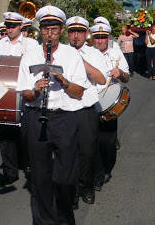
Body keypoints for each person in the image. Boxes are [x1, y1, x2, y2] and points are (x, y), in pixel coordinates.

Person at [17, 5, 88, 225]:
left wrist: (63, 80)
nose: (49, 34)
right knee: (40, 176)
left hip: (65, 117)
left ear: (61, 30)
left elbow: (79, 93)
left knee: (65, 178)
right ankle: (44, 221)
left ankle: (65, 217)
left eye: (54, 29)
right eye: (46, 29)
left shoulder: (71, 55)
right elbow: (25, 94)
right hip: (36, 116)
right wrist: (36, 89)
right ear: (40, 30)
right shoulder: (29, 55)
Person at [0, 11, 38, 187]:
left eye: (13, 26)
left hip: (24, 91)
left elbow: (36, 68)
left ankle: (28, 164)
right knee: (5, 134)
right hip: (3, 92)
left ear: (21, 27)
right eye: (7, 26)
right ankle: (10, 172)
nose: (9, 29)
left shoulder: (31, 45)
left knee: (26, 133)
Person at [66, 16, 108, 206]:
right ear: (67, 34)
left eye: (80, 32)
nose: (76, 36)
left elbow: (101, 79)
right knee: (68, 153)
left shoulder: (94, 54)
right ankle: (72, 193)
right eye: (72, 32)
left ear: (86, 34)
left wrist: (79, 61)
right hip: (65, 108)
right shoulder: (61, 52)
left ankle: (88, 186)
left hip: (86, 108)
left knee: (88, 151)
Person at [91, 22, 130, 190]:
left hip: (109, 105)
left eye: (103, 37)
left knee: (107, 142)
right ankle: (97, 174)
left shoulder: (116, 53)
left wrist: (120, 73)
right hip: (90, 102)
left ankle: (107, 168)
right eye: (97, 37)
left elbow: (127, 77)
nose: (100, 40)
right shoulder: (87, 53)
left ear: (108, 38)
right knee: (91, 141)